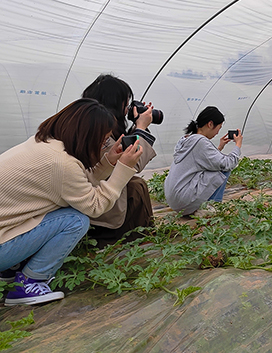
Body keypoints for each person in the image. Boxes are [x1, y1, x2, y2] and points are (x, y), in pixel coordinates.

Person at [0, 99, 142, 306]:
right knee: (75, 220)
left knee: (49, 210)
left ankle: (10, 269)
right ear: (87, 136)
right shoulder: (61, 163)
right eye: (102, 141)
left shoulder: (45, 144)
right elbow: (95, 206)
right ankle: (29, 284)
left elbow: (76, 184)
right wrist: (122, 170)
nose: (103, 145)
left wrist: (109, 162)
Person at [82, 74, 157, 247]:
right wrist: (141, 127)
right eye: (126, 103)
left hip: (89, 202)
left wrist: (136, 124)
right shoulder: (100, 133)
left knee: (136, 185)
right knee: (136, 187)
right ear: (114, 102)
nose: (127, 108)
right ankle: (137, 240)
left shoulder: (89, 124)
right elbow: (132, 162)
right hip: (98, 212)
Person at [164, 106, 242, 215]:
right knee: (224, 169)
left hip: (175, 200)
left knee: (216, 165)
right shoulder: (200, 141)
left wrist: (219, 147)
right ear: (210, 124)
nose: (217, 132)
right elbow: (227, 164)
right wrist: (238, 145)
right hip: (184, 201)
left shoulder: (187, 139)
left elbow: (202, 160)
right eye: (219, 128)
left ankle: (199, 206)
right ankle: (210, 207)